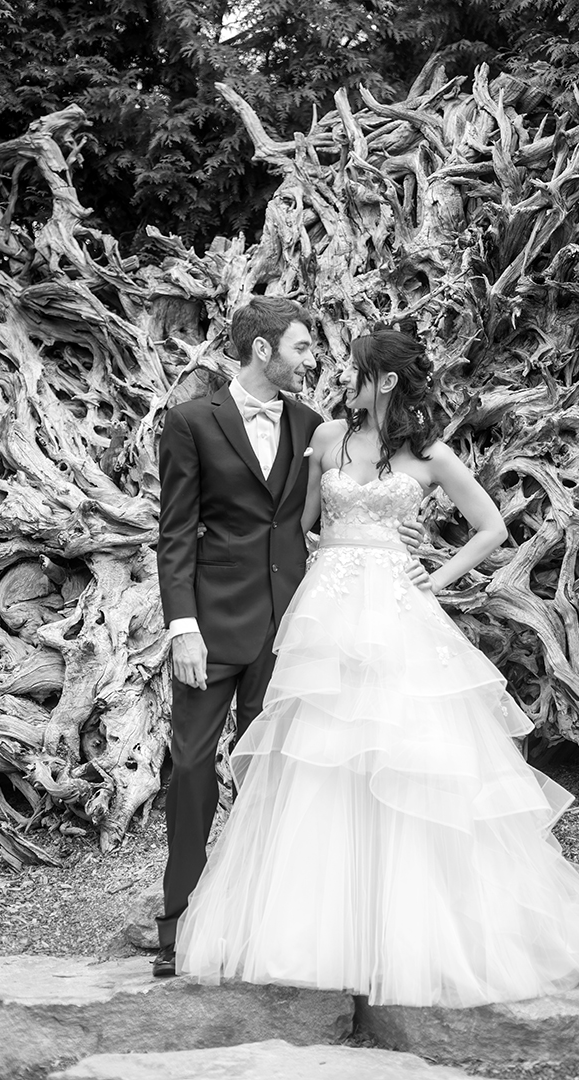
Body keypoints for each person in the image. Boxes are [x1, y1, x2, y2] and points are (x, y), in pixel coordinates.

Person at [175, 325, 579, 1006]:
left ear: (383, 380)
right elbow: (296, 528)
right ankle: (315, 925)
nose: (340, 378)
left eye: (353, 370)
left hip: (396, 610)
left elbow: (492, 527)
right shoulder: (325, 437)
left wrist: (434, 576)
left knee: (401, 749)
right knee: (320, 753)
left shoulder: (432, 455)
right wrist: (342, 544)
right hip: (327, 607)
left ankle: (407, 929)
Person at [154, 301, 424, 978]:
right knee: (190, 767)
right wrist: (181, 625)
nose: (314, 360)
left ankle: (260, 924)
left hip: (293, 629)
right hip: (211, 627)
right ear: (263, 350)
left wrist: (399, 538)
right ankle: (176, 920)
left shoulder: (316, 427)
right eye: (303, 348)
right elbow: (176, 532)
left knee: (278, 776)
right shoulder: (190, 422)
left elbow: (319, 519)